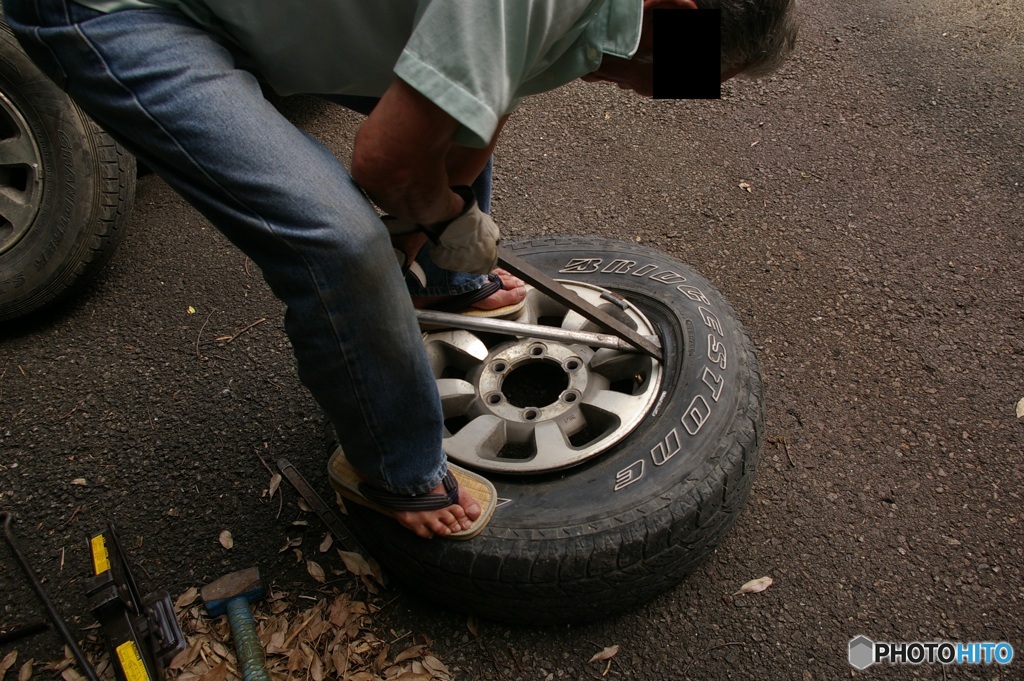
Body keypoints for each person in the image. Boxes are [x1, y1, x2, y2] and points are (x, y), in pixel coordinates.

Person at [3, 0, 797, 539]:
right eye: (696, 75)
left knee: (447, 119)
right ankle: (389, 469)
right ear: (682, 11)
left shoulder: (603, 14)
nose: (673, 96)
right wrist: (441, 216)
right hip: (116, 11)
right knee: (340, 240)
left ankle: (446, 282)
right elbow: (383, 167)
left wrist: (449, 228)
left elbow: (490, 88)